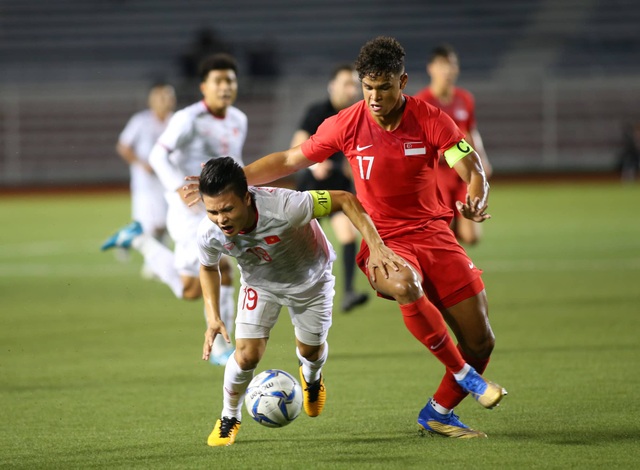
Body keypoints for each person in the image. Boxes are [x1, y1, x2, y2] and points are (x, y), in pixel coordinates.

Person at [224, 36, 507, 438]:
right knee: (406, 283)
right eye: (368, 87)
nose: (374, 97)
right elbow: (290, 160)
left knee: (481, 342)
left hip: (435, 235)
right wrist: (229, 181)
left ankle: (439, 412)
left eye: (384, 87)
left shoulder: (430, 118)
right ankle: (465, 377)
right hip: (382, 239)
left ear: (403, 82)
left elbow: (470, 166)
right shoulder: (347, 122)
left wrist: (477, 196)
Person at [198, 157, 404, 446]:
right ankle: (229, 416)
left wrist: (377, 246)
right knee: (246, 355)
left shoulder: (287, 207)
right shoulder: (209, 232)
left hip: (312, 280)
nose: (221, 219)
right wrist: (213, 316)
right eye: (212, 211)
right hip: (261, 285)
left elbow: (345, 199)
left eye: (228, 209)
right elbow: (208, 267)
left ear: (246, 197)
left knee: (309, 350)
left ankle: (312, 378)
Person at [102, 53, 247, 366]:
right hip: (189, 211)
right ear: (203, 87)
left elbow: (235, 160)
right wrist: (178, 188)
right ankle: (223, 348)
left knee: (195, 287)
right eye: (218, 81)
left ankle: (138, 239)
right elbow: (157, 155)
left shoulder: (238, 119)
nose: (225, 87)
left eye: (230, 81)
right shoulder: (188, 119)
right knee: (218, 270)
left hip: (216, 208)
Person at [290, 63, 369, 312]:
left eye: (354, 85)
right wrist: (314, 166)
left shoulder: (359, 115)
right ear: (331, 85)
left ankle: (347, 293)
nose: (351, 89)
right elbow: (297, 144)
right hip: (312, 189)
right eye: (346, 83)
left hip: (338, 188)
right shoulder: (318, 112)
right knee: (307, 247)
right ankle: (295, 291)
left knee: (348, 236)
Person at [415, 44, 492, 246]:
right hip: (439, 172)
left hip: (464, 172)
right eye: (442, 65)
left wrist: (482, 158)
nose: (447, 70)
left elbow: (472, 130)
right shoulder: (422, 102)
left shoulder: (464, 98)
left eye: (451, 65)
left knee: (472, 236)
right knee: (443, 231)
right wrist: (448, 151)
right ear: (430, 68)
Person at [115, 82, 176, 278]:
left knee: (166, 222)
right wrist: (142, 164)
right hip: (146, 183)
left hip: (167, 179)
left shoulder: (176, 121)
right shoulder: (141, 121)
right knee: (151, 224)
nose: (166, 101)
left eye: (169, 96)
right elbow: (123, 146)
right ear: (152, 100)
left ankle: (146, 255)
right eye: (162, 97)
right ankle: (152, 264)